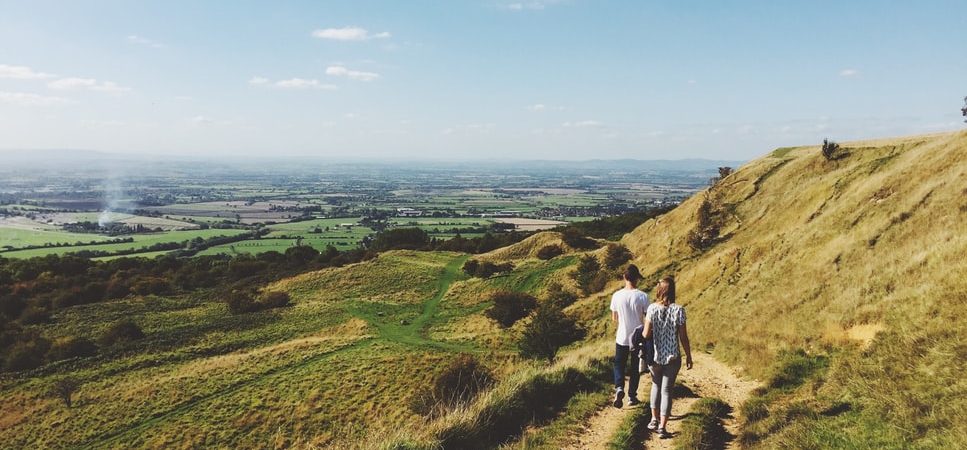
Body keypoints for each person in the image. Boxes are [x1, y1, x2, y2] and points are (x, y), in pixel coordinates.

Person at [643, 276, 692, 439]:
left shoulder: (652, 309)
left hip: (655, 356)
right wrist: (689, 356)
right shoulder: (679, 310)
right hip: (672, 356)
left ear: (660, 290)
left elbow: (646, 333)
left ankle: (653, 419)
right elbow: (683, 337)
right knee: (666, 391)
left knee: (655, 386)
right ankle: (662, 427)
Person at [610, 265, 649, 408]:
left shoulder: (616, 295)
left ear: (624, 277)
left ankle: (619, 387)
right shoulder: (643, 296)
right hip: (638, 337)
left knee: (619, 364)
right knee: (634, 368)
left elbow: (614, 318)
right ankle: (632, 396)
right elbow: (647, 318)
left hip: (622, 336)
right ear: (637, 278)